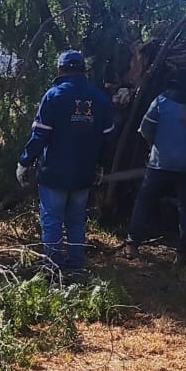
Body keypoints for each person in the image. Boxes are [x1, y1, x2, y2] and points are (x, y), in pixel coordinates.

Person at [17, 49, 115, 278]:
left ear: (60, 70)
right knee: (76, 221)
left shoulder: (54, 96)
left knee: (52, 221)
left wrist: (24, 162)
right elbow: (109, 139)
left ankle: (52, 269)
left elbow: (40, 135)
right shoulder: (100, 99)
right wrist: (100, 165)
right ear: (84, 70)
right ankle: (76, 266)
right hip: (83, 174)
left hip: (55, 174)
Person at [124, 66, 186, 265]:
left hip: (159, 163)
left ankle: (132, 245)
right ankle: (182, 254)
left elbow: (146, 130)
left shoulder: (161, 102)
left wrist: (155, 144)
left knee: (144, 201)